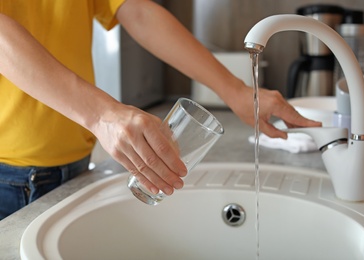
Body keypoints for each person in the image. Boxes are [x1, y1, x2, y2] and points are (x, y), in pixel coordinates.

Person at [0, 0, 321, 220]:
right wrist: (101, 114)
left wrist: (237, 92)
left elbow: (137, 11)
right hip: (7, 174)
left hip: (76, 164)